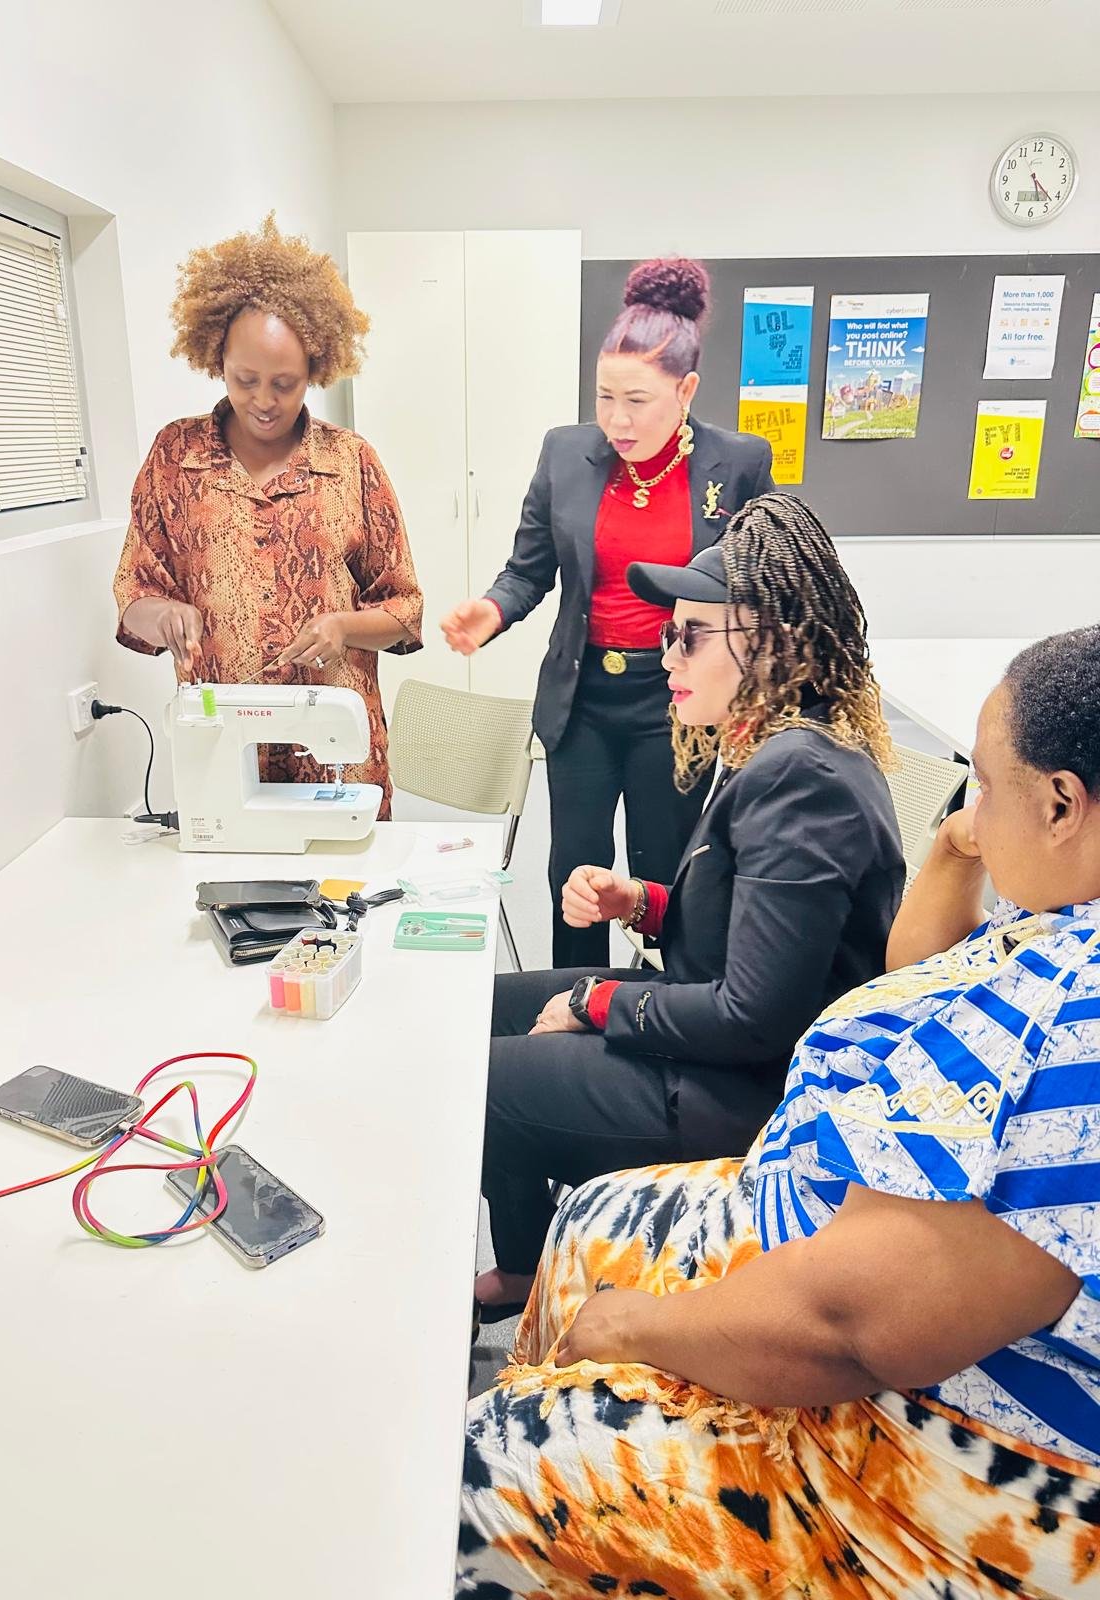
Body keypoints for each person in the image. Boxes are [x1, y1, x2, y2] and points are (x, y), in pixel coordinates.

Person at [458, 625, 1100, 1600]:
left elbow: (851, 1327)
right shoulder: (1060, 884)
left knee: (471, 1471)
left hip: (912, 1462)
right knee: (585, 1226)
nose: (661, 659)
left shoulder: (1080, 1024)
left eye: (987, 777)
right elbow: (921, 977)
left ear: (1061, 802)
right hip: (817, 1221)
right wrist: (965, 836)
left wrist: (638, 1330)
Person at [474, 495, 904, 1327]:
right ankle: (533, 1267)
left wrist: (597, 1003)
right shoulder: (778, 746)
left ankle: (539, 1279)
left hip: (747, 1090)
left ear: (772, 643)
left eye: (690, 635)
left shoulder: (801, 777)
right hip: (721, 1044)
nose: (663, 651)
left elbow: (754, 1015)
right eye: (669, 631)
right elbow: (757, 928)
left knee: (480, 1081)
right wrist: (646, 903)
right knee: (484, 1009)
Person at [441, 258, 775, 965]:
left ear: (685, 390)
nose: (617, 420)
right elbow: (528, 569)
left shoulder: (736, 464)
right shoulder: (567, 454)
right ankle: (574, 1003)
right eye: (604, 397)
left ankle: (658, 1007)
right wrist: (492, 611)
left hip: (677, 700)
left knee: (665, 872)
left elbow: (760, 589)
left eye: (639, 400)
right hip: (584, 697)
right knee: (578, 872)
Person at [113, 215, 422, 815]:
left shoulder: (350, 462)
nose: (263, 401)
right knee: (230, 897)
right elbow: (135, 593)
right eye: (244, 379)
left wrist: (343, 627)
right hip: (223, 746)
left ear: (315, 369)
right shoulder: (175, 457)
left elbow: (404, 610)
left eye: (285, 383)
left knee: (348, 896)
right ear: (216, 360)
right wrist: (165, 615)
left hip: (335, 749)